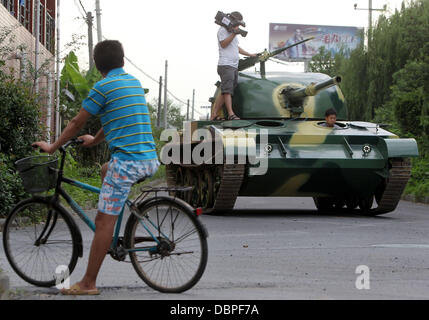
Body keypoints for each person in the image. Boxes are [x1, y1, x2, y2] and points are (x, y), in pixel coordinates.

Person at [33, 40, 159, 295]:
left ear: (97, 65)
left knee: (102, 221)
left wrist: (53, 146)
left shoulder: (102, 87)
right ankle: (117, 220)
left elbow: (77, 123)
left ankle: (88, 283)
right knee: (105, 170)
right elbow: (114, 117)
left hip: (128, 163)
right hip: (148, 159)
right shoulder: (132, 82)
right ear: (122, 61)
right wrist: (96, 140)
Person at [210, 11, 256, 121]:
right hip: (226, 65)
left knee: (226, 90)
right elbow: (223, 44)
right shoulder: (222, 31)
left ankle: (214, 114)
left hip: (233, 66)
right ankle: (231, 114)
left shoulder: (231, 33)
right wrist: (234, 33)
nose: (238, 26)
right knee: (227, 91)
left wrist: (249, 54)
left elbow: (236, 47)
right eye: (238, 24)